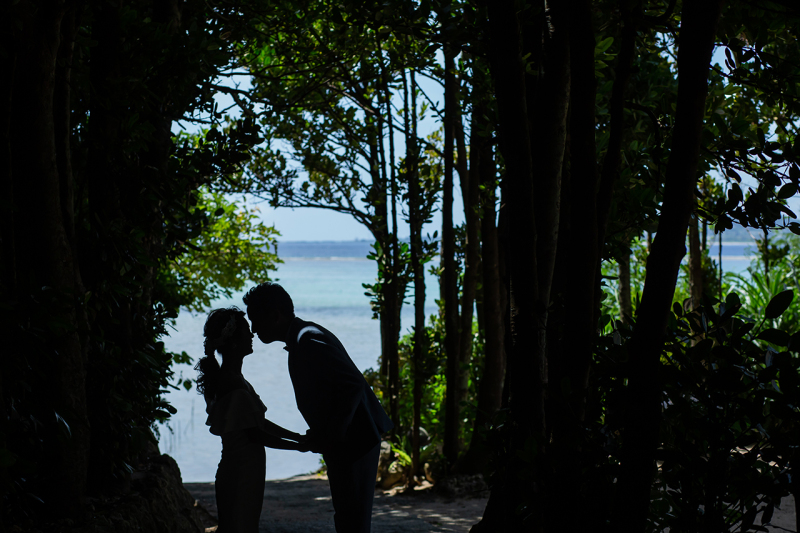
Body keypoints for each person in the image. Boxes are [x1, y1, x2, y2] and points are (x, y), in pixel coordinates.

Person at [243, 282, 393, 533]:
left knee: (352, 521)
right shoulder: (305, 335)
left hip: (355, 441)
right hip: (350, 440)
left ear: (275, 315)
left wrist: (331, 434)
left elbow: (353, 385)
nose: (253, 329)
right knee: (348, 518)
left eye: (255, 320)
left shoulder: (308, 339)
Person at [196, 307, 307, 533]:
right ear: (234, 342)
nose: (252, 335)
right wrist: (298, 447)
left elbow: (257, 425)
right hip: (240, 473)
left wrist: (297, 438)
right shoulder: (232, 383)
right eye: (247, 331)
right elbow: (255, 435)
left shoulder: (233, 378)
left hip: (243, 470)